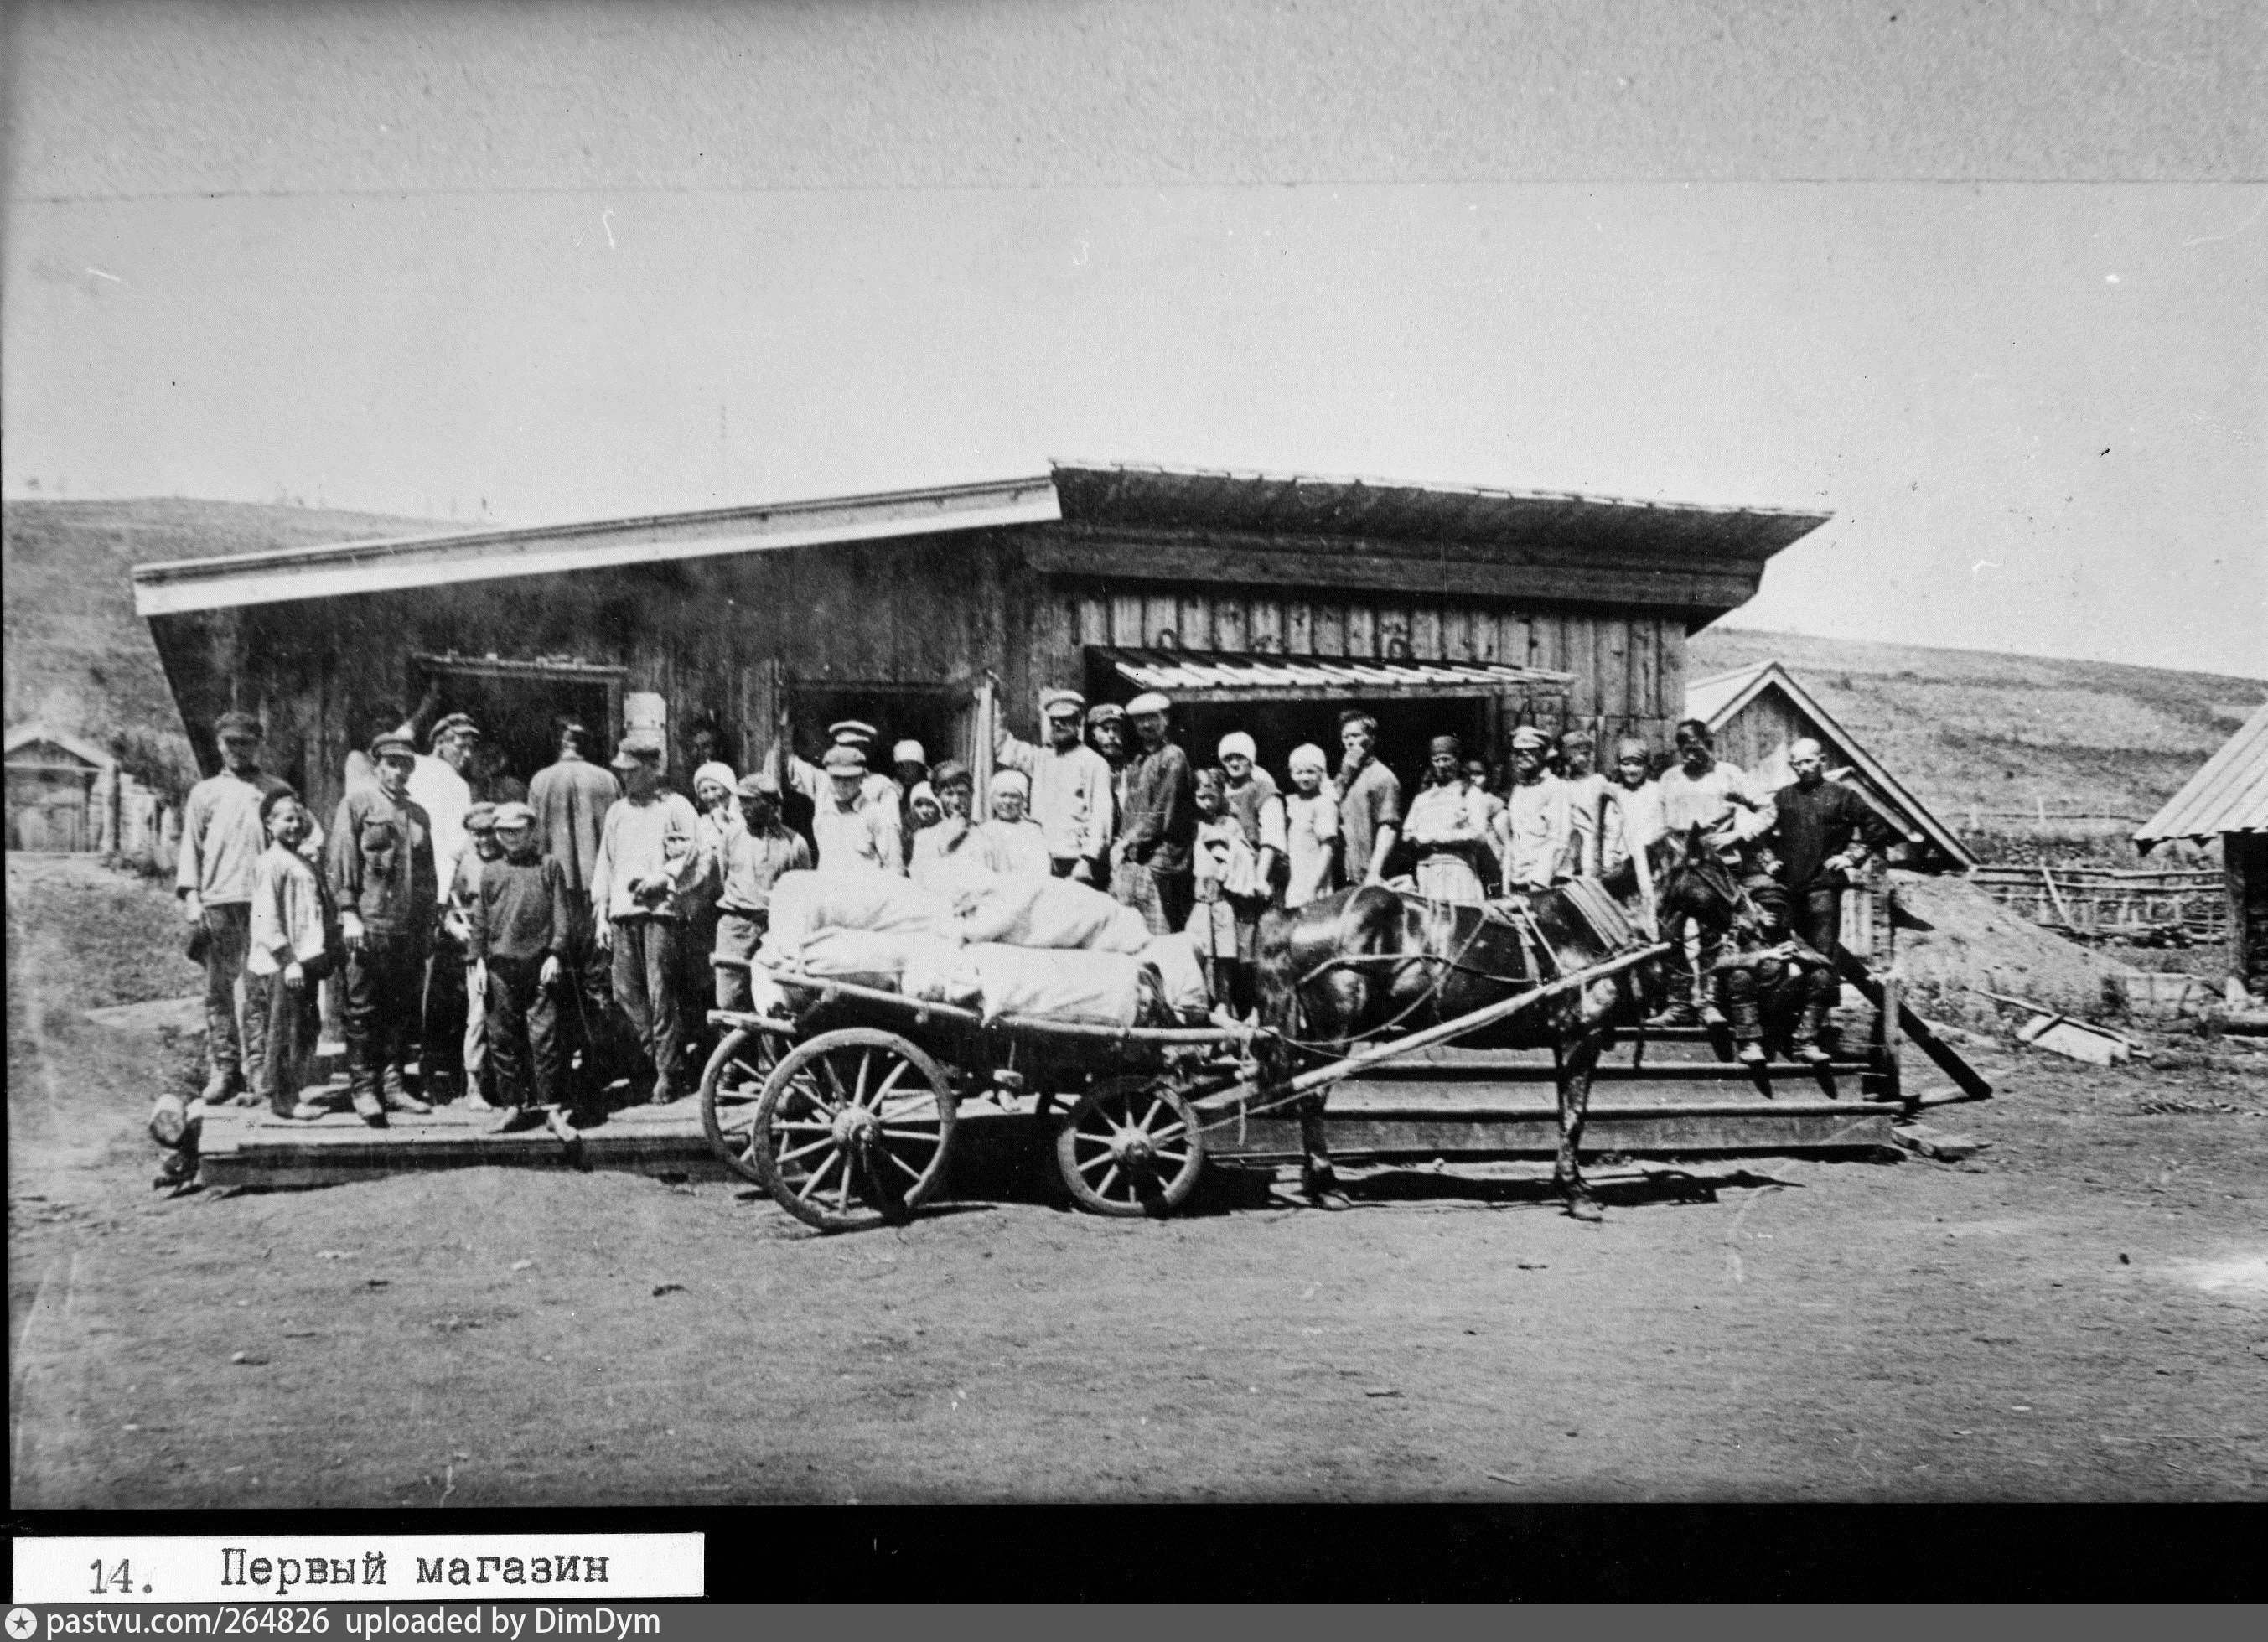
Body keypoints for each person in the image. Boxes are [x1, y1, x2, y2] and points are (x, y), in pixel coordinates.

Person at [174, 709, 295, 1106]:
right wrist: (192, 898)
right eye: (231, 743)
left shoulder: (277, 791)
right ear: (220, 745)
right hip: (219, 902)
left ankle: (260, 1069)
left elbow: (302, 839)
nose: (238, 751)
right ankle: (225, 1069)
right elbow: (190, 848)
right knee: (218, 990)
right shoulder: (204, 793)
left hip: (263, 904)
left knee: (260, 988)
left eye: (246, 743)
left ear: (258, 745)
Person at [330, 729, 440, 1123]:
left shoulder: (419, 814)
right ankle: (363, 1088)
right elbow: (342, 860)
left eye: (406, 764)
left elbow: (428, 877)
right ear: (378, 765)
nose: (399, 771)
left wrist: (428, 925)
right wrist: (348, 913)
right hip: (368, 922)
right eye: (392, 763)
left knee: (399, 1009)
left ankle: (393, 1086)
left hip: (407, 928)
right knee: (362, 1008)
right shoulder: (357, 804)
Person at [590, 732, 703, 1104]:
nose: (627, 778)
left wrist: (665, 876)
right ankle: (658, 1061)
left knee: (661, 994)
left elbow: (693, 855)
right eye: (623, 772)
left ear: (653, 768)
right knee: (626, 993)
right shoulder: (617, 812)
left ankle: (668, 1073)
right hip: (623, 914)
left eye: (635, 771)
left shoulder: (675, 806)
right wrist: (602, 915)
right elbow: (605, 864)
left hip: (660, 915)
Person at [527, 717, 623, 1093]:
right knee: (598, 980)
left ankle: (562, 1065)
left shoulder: (539, 781)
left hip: (557, 892)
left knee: (559, 982)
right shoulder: (607, 781)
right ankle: (599, 1065)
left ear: (559, 741)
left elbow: (532, 838)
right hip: (598, 892)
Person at [469, 801, 577, 1132]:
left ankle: (552, 1107)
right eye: (503, 831)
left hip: (540, 964)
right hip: (500, 967)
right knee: (502, 1038)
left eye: (517, 831)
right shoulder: (491, 872)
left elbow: (562, 916)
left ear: (531, 831)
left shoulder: (549, 866)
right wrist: (479, 962)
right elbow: (481, 922)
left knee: (545, 1037)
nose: (510, 838)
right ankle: (512, 1105)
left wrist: (556, 954)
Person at [246, 789, 341, 1122]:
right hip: (287, 963)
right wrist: (287, 960)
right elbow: (265, 916)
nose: (295, 825)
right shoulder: (271, 862)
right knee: (286, 1028)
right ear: (270, 824)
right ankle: (283, 1098)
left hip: (307, 959)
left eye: (299, 818)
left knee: (304, 1026)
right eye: (287, 819)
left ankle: (294, 1090)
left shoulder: (300, 859)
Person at [411, 714, 482, 1103]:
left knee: (445, 982)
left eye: (471, 747)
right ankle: (423, 1066)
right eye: (460, 744)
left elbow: (459, 843)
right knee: (421, 982)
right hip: (418, 888)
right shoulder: (418, 769)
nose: (466, 754)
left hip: (444, 890)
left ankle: (443, 1065)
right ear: (439, 741)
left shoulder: (458, 785)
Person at [1766, 736, 1887, 964]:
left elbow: (1877, 829)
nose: (1802, 768)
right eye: (1796, 764)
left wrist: (1850, 857)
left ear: (1822, 760)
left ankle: (1823, 1000)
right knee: (1784, 957)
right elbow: (1763, 834)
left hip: (1822, 889)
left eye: (1808, 761)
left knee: (1821, 958)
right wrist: (1769, 859)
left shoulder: (1843, 795)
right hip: (1787, 889)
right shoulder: (1783, 797)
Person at [1711, 863, 1839, 1068]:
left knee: (1822, 976)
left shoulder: (1787, 934)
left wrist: (1800, 955)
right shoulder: (1741, 931)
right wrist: (1764, 954)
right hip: (1740, 1002)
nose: (1772, 913)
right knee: (1740, 975)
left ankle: (1805, 1042)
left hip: (1773, 997)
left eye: (1777, 908)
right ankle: (1750, 1043)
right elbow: (1721, 963)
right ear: (1755, 908)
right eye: (1766, 907)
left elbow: (1825, 961)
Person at [712, 770, 812, 1013]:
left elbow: (803, 894)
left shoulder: (795, 844)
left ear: (769, 805)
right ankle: (734, 1051)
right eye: (741, 801)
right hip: (735, 926)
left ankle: (770, 1052)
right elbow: (721, 878)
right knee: (728, 1001)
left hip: (775, 928)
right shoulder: (731, 837)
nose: (742, 808)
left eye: (749, 802)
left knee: (772, 1002)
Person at [994, 688, 1116, 883]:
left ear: (1079, 722)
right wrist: (995, 700)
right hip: (1042, 858)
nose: (1058, 724)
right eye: (1053, 720)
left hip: (1076, 862)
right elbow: (1002, 746)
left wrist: (1087, 860)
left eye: (1065, 720)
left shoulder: (1094, 763)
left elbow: (1101, 817)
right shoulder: (1041, 759)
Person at [1111, 692, 1197, 935]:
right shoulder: (1138, 762)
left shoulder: (1173, 758)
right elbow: (1131, 811)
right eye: (1140, 720)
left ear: (1165, 720)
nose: (1146, 725)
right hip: (1138, 857)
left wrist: (1127, 841)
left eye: (1152, 718)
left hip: (1164, 859)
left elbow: (1160, 812)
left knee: (1163, 930)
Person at [445, 803, 506, 1107]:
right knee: (479, 1014)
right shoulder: (465, 862)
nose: (484, 840)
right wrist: (454, 926)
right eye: (477, 834)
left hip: (507, 946)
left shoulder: (511, 858)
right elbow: (448, 907)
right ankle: (474, 1086)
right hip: (476, 950)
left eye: (490, 832)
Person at [1192, 767, 1267, 1013]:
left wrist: (1231, 859)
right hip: (1201, 896)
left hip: (1224, 897)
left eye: (1210, 797)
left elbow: (1244, 853)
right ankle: (1206, 1003)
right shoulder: (1194, 824)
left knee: (1226, 954)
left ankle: (1225, 1003)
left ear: (1221, 794)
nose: (1204, 803)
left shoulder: (1231, 824)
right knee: (1202, 951)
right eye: (1199, 797)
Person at [1657, 719, 1773, 859]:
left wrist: (1737, 834)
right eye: (1686, 751)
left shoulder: (1729, 774)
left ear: (1709, 747)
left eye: (1697, 751)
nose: (1691, 757)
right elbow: (1657, 821)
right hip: (1677, 859)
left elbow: (1768, 810)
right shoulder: (1669, 778)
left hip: (1718, 858)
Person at [786, 741, 904, 873]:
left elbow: (895, 867)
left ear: (861, 778)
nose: (842, 786)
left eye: (849, 779)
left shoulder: (876, 814)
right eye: (836, 778)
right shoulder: (824, 811)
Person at [1404, 735, 1494, 904]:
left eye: (1446, 759)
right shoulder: (1423, 798)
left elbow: (1479, 835)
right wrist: (1415, 837)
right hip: (1426, 870)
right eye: (1436, 760)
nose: (1442, 765)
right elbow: (1407, 833)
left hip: (1457, 869)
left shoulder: (1470, 793)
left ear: (1457, 761)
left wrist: (1438, 837)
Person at [1501, 726, 1577, 893]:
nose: (1524, 756)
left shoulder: (1555, 788)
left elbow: (1558, 839)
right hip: (1519, 879)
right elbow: (1514, 839)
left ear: (1543, 754)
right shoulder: (1519, 789)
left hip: (1548, 882)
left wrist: (1539, 881)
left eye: (1531, 751)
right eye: (1519, 752)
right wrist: (1506, 886)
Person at [1333, 710, 1401, 888]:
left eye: (1356, 735)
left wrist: (1374, 872)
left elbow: (1388, 828)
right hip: (1344, 873)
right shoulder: (1343, 778)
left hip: (1370, 876)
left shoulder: (1383, 777)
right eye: (1345, 737)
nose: (1349, 741)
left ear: (1371, 739)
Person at [1217, 732, 1286, 901]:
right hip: (1229, 873)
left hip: (1260, 872)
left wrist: (1260, 877)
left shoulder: (1263, 789)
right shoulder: (1221, 791)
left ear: (1250, 759)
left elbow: (1272, 837)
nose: (1234, 763)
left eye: (1240, 757)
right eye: (1228, 758)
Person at [909, 760, 992, 897]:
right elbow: (919, 883)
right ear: (938, 795)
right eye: (949, 794)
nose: (956, 801)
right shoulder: (925, 837)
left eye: (961, 793)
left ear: (972, 794)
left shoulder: (985, 833)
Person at [1281, 743, 1343, 909]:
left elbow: (1328, 848)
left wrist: (1312, 886)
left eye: (1310, 772)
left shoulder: (1324, 803)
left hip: (1313, 879)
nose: (1304, 778)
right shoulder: (1291, 802)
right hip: (1294, 877)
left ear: (1321, 773)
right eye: (1299, 772)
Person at [1598, 737, 1666, 879]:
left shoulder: (1657, 791)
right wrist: (1609, 862)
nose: (1631, 770)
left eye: (1637, 764)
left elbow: (1662, 829)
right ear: (1619, 765)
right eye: (1626, 764)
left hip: (1653, 862)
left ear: (1646, 765)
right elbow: (1611, 831)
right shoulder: (1615, 794)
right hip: (1625, 864)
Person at [979, 768, 1053, 878]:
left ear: (1023, 801)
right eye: (1003, 795)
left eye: (1013, 796)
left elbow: (1039, 871)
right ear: (993, 799)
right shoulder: (983, 831)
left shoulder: (1032, 831)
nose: (1007, 802)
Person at [1558, 729, 1608, 877]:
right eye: (1584, 754)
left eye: (1590, 754)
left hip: (1590, 854)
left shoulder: (1598, 782)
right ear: (1569, 757)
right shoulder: (1561, 785)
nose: (1590, 758)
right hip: (1567, 855)